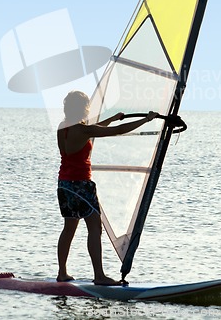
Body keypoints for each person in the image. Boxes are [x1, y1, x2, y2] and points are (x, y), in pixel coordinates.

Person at [56, 90, 158, 285]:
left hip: (65, 185)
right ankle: (99, 276)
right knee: (95, 228)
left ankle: (62, 272)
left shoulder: (64, 127)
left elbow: (92, 129)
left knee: (69, 229)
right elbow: (116, 131)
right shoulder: (83, 130)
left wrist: (111, 118)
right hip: (81, 186)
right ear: (82, 109)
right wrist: (146, 119)